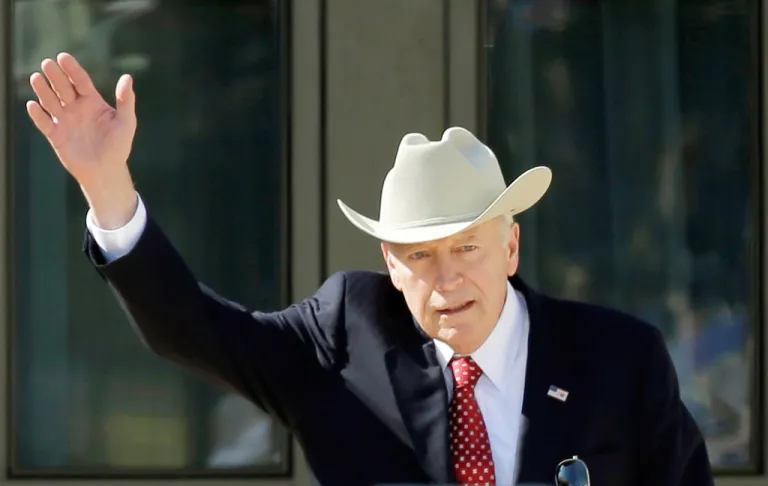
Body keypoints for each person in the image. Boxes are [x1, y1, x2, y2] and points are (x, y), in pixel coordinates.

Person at [26, 52, 714, 486]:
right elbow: (194, 330)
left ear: (511, 248)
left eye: (468, 248)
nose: (447, 279)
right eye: (421, 255)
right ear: (390, 263)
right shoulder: (347, 335)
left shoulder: (618, 361)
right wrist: (106, 186)